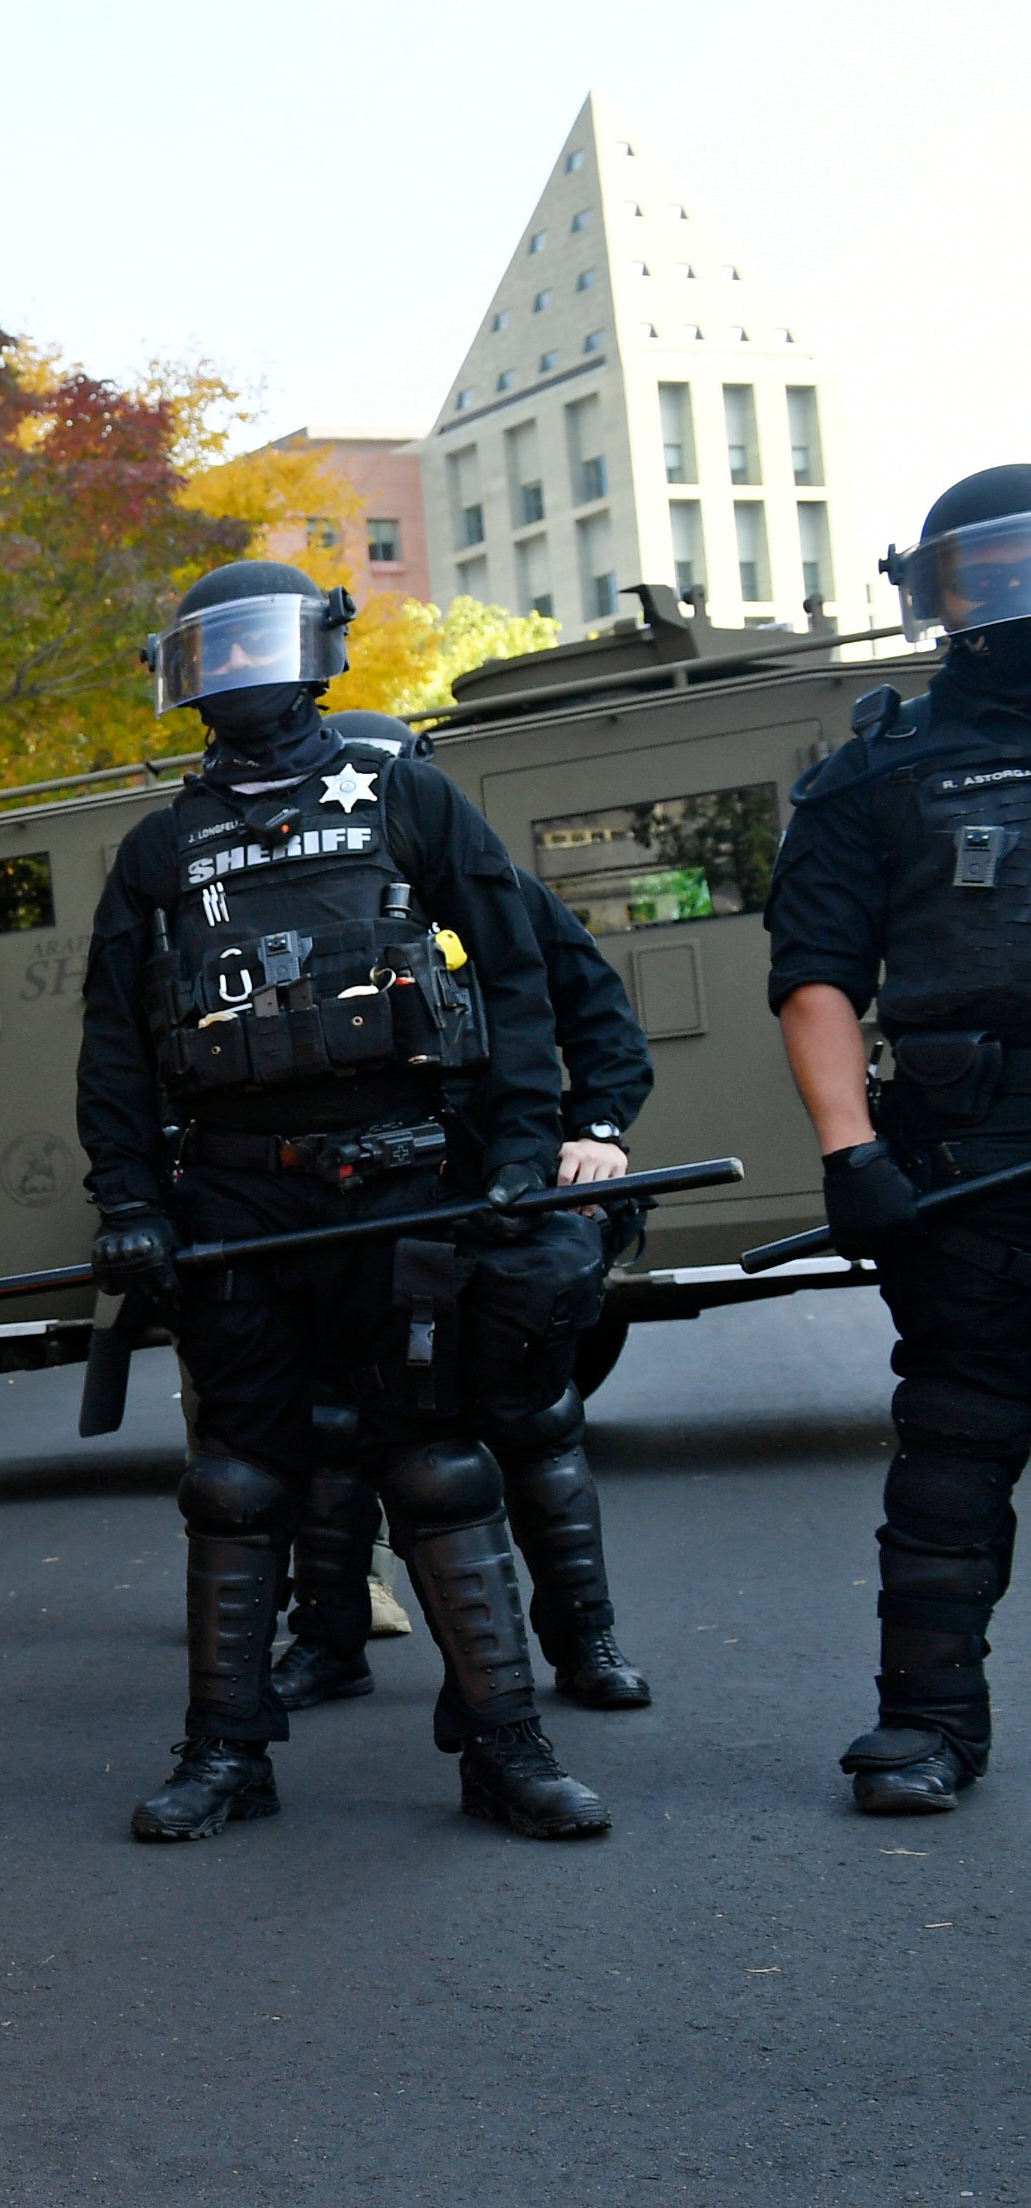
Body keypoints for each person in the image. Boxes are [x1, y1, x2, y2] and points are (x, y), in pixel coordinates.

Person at [80, 562, 604, 1843]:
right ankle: (226, 1754)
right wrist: (129, 1200)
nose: (242, 673)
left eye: (263, 643)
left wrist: (524, 1146)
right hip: (239, 1201)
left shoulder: (406, 795)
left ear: (321, 652)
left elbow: (522, 975)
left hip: (405, 1180)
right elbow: (113, 1047)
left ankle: (506, 1748)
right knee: (241, 1482)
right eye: (214, 651)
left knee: (434, 1465)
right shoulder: (157, 850)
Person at [271, 710, 656, 1715]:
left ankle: (585, 1645)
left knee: (531, 1423)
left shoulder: (497, 893)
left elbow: (605, 1026)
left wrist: (598, 1130)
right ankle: (330, 1639)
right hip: (361, 1204)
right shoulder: (288, 916)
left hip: (500, 1189)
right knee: (334, 1426)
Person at [765, 464, 1031, 1817]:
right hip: (976, 1156)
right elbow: (817, 977)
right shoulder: (876, 775)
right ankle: (925, 1726)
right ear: (936, 598)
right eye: (989, 572)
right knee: (956, 1449)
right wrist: (850, 1152)